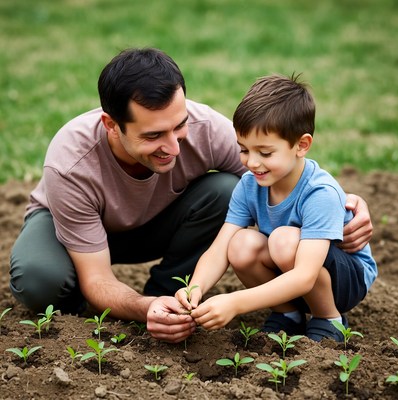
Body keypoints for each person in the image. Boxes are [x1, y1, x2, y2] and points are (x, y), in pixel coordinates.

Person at [9, 48, 372, 343]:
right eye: (153, 136)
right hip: (83, 238)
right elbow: (98, 278)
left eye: (179, 125)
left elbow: (293, 170)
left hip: (318, 271)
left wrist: (350, 203)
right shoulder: (70, 163)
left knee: (233, 201)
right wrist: (158, 301)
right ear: (112, 126)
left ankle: (170, 296)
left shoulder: (210, 131)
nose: (173, 146)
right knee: (41, 279)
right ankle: (96, 305)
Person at [175, 74, 377, 342]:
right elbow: (219, 249)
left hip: (346, 279)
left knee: (283, 239)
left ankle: (329, 318)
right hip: (292, 270)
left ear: (301, 145)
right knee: (239, 243)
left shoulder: (320, 192)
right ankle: (288, 314)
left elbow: (305, 276)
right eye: (244, 150)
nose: (252, 163)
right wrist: (194, 289)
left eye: (265, 153)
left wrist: (236, 302)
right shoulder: (250, 185)